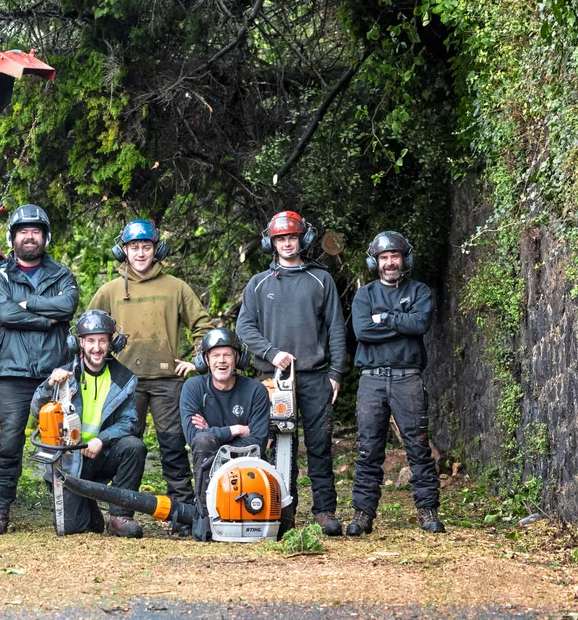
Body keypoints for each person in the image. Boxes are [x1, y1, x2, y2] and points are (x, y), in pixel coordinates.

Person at [87, 219, 210, 531]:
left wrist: (197, 360)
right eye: (134, 247)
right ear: (123, 251)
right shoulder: (109, 291)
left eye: (146, 247)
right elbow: (89, 327)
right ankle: (121, 514)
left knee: (173, 446)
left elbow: (203, 327)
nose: (140, 253)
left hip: (168, 382)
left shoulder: (176, 287)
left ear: (157, 250)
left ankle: (183, 516)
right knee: (127, 445)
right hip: (123, 384)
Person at [235, 210, 347, 536]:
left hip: (314, 374)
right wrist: (272, 352)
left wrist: (336, 372)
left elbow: (336, 328)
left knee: (320, 444)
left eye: (292, 237)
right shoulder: (258, 284)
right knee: (278, 443)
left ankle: (325, 511)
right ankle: (282, 511)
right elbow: (244, 327)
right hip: (274, 377)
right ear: (271, 243)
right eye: (281, 238)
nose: (287, 243)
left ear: (303, 239)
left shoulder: (320, 279)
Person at [0, 204, 80, 535]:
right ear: (13, 238)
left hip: (54, 372)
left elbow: (68, 305)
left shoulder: (62, 275)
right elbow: (3, 314)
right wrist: (47, 319)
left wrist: (29, 304)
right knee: (7, 442)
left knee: (62, 440)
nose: (29, 237)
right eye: (23, 231)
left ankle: (68, 509)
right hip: (11, 373)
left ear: (45, 237)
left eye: (35, 231)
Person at [347, 232, 444, 535]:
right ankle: (363, 515)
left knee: (418, 447)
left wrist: (385, 318)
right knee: (368, 450)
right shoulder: (365, 295)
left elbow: (420, 324)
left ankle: (427, 511)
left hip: (408, 378)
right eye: (384, 258)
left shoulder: (420, 291)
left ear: (405, 259)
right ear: (374, 262)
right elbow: (363, 332)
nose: (390, 263)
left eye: (395, 257)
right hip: (371, 380)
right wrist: (401, 322)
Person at [32, 310, 146, 537]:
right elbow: (37, 410)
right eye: (91, 341)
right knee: (73, 528)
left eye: (103, 340)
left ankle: (119, 517)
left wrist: (101, 440)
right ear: (80, 343)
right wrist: (49, 386)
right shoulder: (64, 375)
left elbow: (130, 422)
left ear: (111, 342)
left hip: (102, 453)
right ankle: (88, 506)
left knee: (134, 447)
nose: (97, 347)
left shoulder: (124, 378)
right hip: (68, 457)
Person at [179, 328, 270, 541]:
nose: (222, 361)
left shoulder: (256, 391)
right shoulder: (193, 387)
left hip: (248, 472)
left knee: (206, 438)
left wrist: (212, 433)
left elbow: (258, 441)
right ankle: (205, 517)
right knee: (202, 440)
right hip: (207, 468)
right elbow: (194, 437)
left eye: (227, 355)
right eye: (216, 355)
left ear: (237, 358)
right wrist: (235, 430)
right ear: (205, 360)